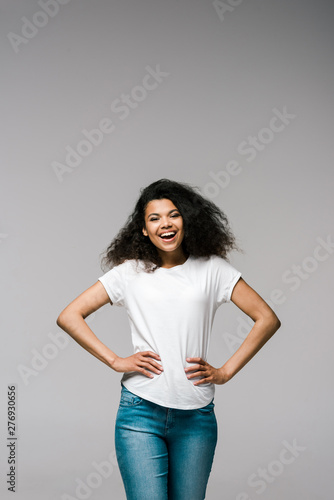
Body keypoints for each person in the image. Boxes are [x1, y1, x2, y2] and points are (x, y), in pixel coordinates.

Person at [56, 178, 281, 500]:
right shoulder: (129, 272)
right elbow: (69, 315)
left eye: (173, 214)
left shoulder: (213, 270)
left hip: (196, 416)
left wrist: (226, 371)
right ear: (144, 230)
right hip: (139, 411)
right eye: (154, 218)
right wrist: (115, 360)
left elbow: (267, 318)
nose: (166, 223)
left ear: (186, 220)